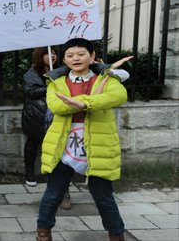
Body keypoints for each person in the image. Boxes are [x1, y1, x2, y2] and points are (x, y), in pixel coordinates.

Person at [36, 38, 127, 241]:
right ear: (64, 60)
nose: (75, 58)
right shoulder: (55, 82)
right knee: (53, 194)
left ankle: (117, 235)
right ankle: (43, 234)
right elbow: (57, 106)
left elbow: (118, 96)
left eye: (81, 54)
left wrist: (81, 103)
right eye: (70, 55)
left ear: (92, 56)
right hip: (63, 144)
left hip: (99, 144)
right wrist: (94, 102)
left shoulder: (106, 78)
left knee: (103, 196)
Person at [21, 47, 58, 188]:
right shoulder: (31, 74)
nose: (52, 56)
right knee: (33, 143)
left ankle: (52, 173)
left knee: (54, 145)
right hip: (35, 114)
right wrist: (50, 87)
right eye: (48, 54)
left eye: (54, 53)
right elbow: (30, 92)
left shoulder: (60, 70)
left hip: (54, 112)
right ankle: (29, 173)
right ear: (39, 57)